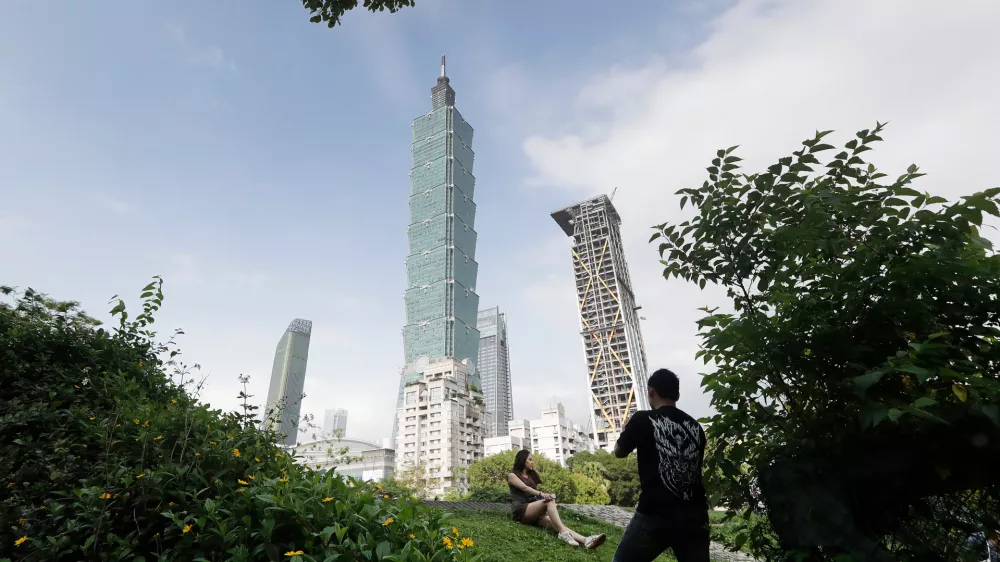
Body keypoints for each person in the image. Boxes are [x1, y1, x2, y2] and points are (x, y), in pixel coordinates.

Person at [612, 368, 710, 562]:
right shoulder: (696, 427)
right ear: (678, 395)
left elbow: (619, 452)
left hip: (654, 513)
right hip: (695, 515)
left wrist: (626, 430)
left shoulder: (642, 419)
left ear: (650, 391)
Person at [506, 449, 606, 549]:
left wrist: (546, 506)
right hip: (521, 511)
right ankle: (565, 534)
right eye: (530, 459)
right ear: (523, 460)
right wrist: (542, 495)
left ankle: (586, 540)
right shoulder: (512, 476)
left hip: (533, 513)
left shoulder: (530, 476)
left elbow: (534, 497)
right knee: (549, 501)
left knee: (558, 525)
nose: (532, 462)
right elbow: (525, 488)